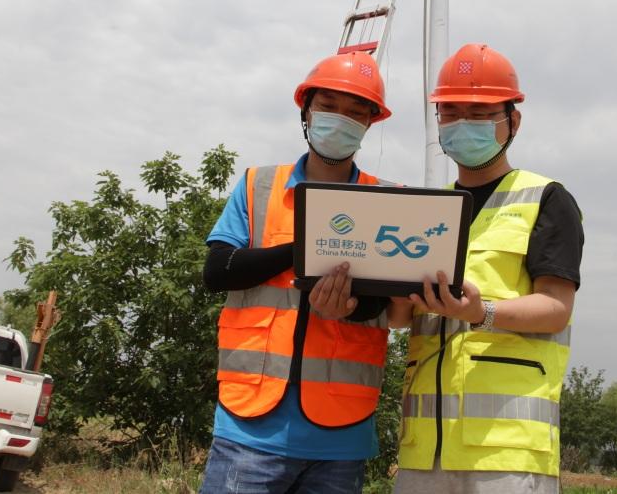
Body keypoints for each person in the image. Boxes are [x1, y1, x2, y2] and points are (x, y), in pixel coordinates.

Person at [199, 51, 397, 494]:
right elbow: (218, 271)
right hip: (248, 426)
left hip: (341, 434)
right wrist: (307, 245)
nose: (339, 119)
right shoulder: (257, 185)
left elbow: (385, 303)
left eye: (355, 112)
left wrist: (347, 306)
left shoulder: (388, 200)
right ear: (306, 110)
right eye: (328, 106)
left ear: (370, 123)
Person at [392, 43, 585, 494]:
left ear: (512, 121)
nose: (463, 123)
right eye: (451, 111)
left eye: (479, 112)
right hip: (423, 449)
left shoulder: (546, 199)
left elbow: (556, 308)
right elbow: (402, 319)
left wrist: (483, 313)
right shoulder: (424, 209)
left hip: (507, 449)